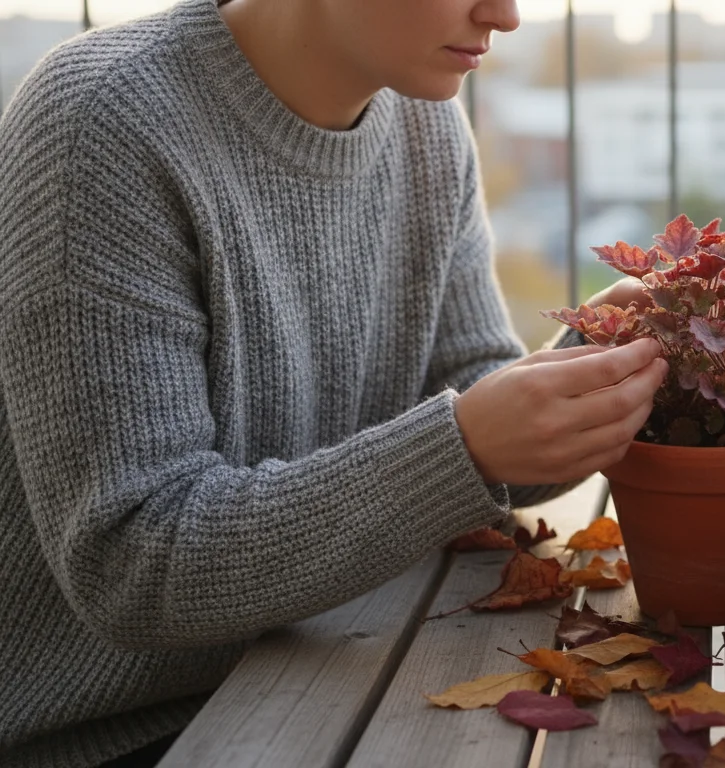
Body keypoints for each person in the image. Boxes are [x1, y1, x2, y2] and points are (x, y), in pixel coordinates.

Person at [0, 0, 667, 765]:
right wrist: (468, 447)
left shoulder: (424, 126)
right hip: (126, 730)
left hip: (335, 653)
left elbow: (466, 401)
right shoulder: (103, 120)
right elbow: (133, 565)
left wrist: (593, 362)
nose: (506, 15)